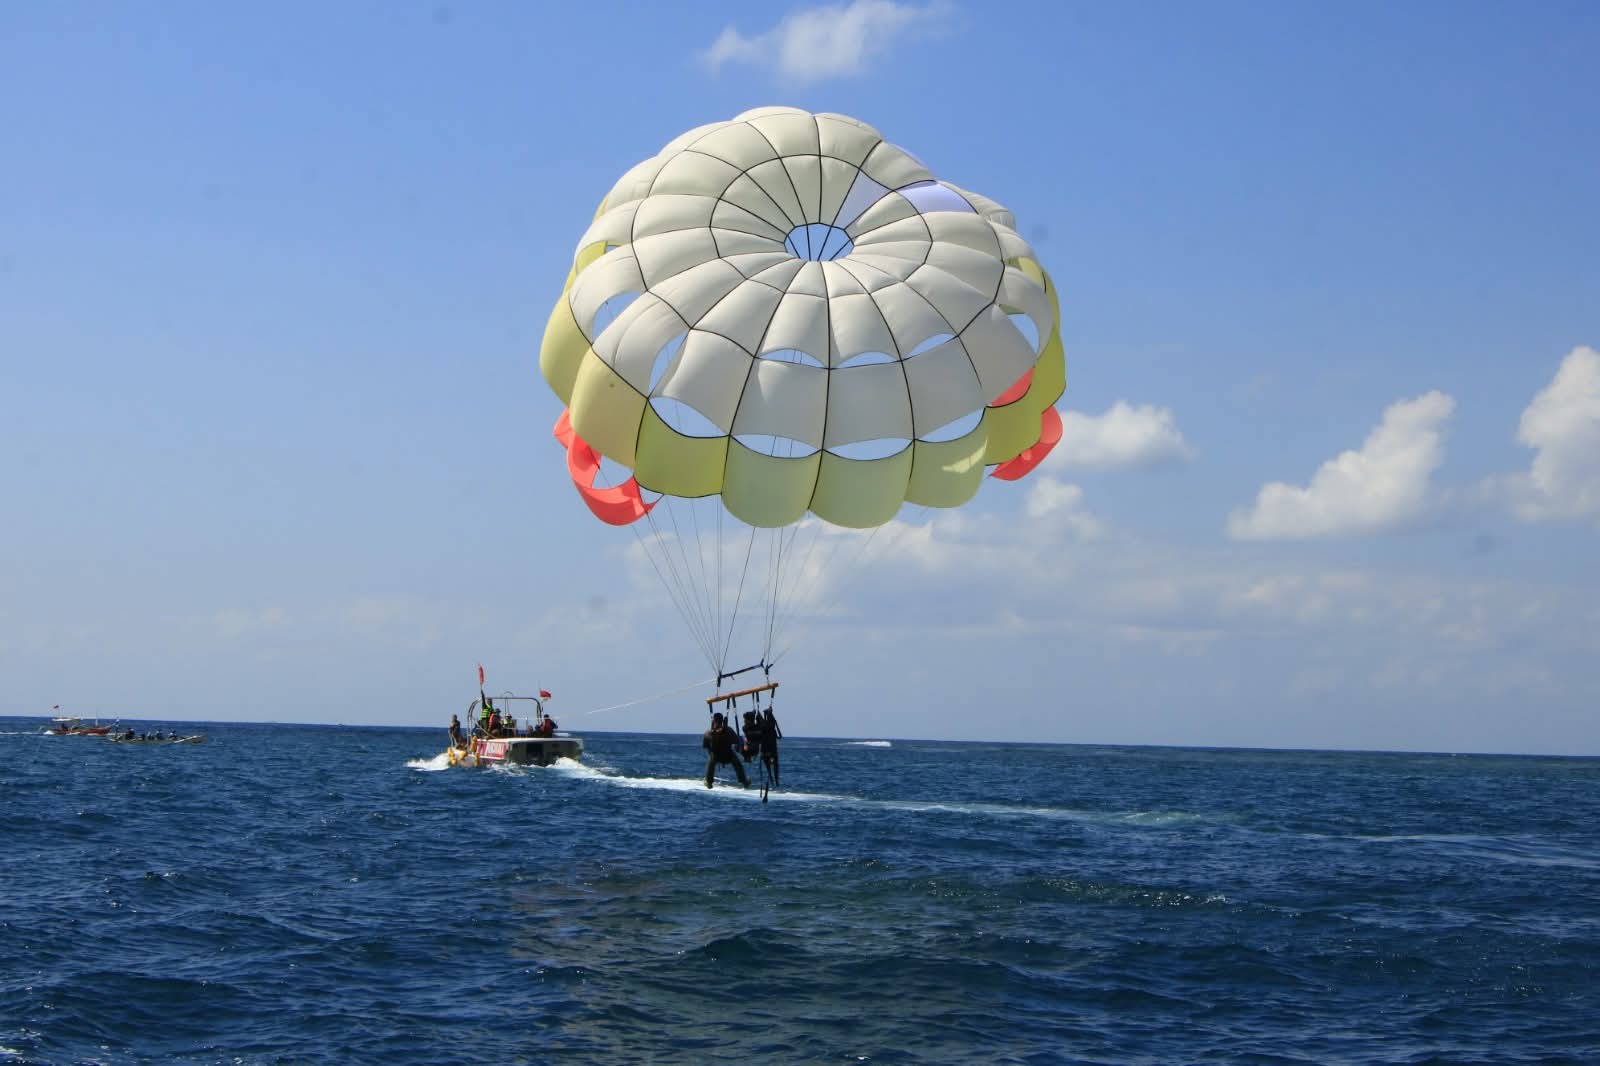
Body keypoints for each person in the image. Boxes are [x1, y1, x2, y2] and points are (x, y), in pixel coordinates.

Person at [702, 712, 748, 789]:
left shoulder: (708, 733)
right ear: (722, 721)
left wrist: (711, 752)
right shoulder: (729, 730)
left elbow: (706, 746)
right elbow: (736, 741)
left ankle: (709, 781)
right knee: (737, 763)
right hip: (727, 756)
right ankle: (743, 781)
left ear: (713, 721)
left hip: (717, 756)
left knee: (711, 761)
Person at [759, 706, 782, 786]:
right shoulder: (771, 729)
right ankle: (775, 780)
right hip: (772, 750)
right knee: (775, 766)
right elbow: (772, 722)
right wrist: (769, 712)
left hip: (766, 750)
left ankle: (773, 779)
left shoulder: (764, 728)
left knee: (769, 767)